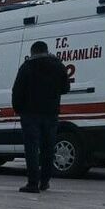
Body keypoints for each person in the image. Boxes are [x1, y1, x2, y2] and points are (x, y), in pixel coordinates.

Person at [11, 41, 70, 193]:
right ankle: (45, 181)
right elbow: (66, 87)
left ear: (32, 52)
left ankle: (32, 183)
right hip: (51, 113)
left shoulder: (27, 67)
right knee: (48, 148)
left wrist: (18, 108)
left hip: (30, 114)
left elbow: (17, 90)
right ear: (46, 50)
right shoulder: (58, 65)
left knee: (32, 148)